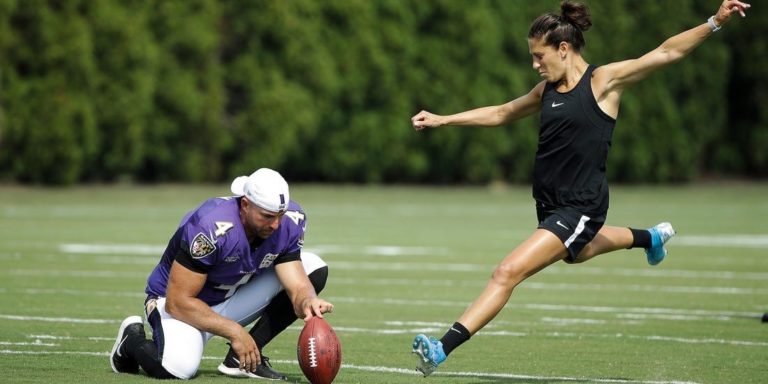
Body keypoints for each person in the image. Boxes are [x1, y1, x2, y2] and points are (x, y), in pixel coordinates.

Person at [409, 0, 751, 377]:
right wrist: (444, 119)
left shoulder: (602, 82)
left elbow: (666, 52)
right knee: (579, 251)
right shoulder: (546, 91)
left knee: (507, 272)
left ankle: (442, 348)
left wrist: (714, 22)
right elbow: (504, 112)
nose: (535, 65)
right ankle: (649, 238)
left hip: (580, 204)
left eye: (539, 57)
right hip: (551, 204)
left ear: (563, 49)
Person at [109, 167, 334, 380]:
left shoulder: (289, 221)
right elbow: (177, 302)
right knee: (176, 368)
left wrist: (307, 300)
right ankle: (131, 340)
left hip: (229, 296)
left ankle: (242, 359)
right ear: (245, 205)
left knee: (313, 266)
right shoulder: (210, 226)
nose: (275, 224)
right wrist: (235, 332)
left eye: (280, 215)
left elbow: (296, 282)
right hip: (181, 305)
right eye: (267, 216)